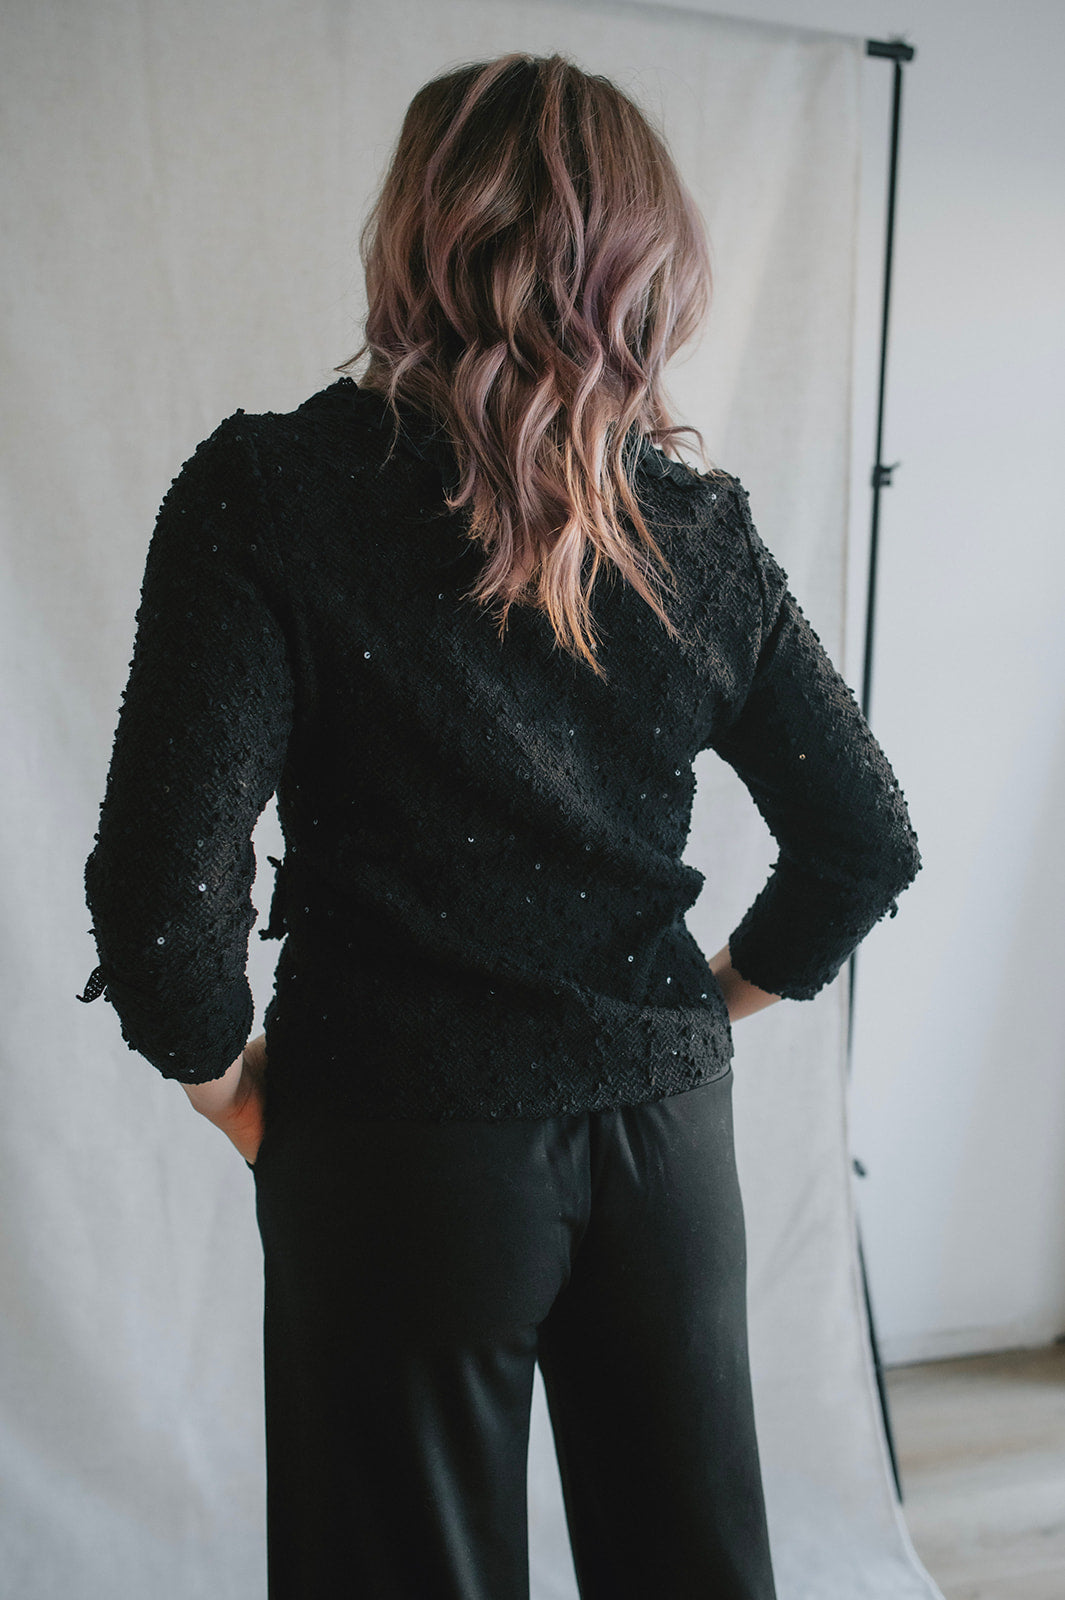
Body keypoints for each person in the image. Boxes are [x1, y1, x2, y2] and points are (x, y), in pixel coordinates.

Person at [76, 51, 922, 1600]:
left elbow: (160, 886)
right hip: (665, 1147)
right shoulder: (696, 530)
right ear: (651, 265)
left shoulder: (266, 492)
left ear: (415, 230)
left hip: (393, 1138)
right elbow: (861, 840)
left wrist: (225, 1088)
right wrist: (690, 1014)